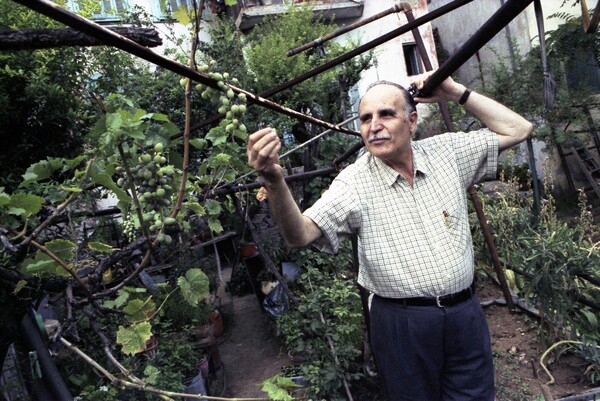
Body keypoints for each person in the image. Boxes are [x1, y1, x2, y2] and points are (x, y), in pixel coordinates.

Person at [246, 71, 534, 401]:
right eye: (365, 118)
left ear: (412, 121)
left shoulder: (447, 153)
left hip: (464, 314)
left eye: (386, 114)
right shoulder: (353, 182)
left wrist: (455, 91)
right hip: (401, 323)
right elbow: (301, 234)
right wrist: (273, 179)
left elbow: (519, 129)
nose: (374, 126)